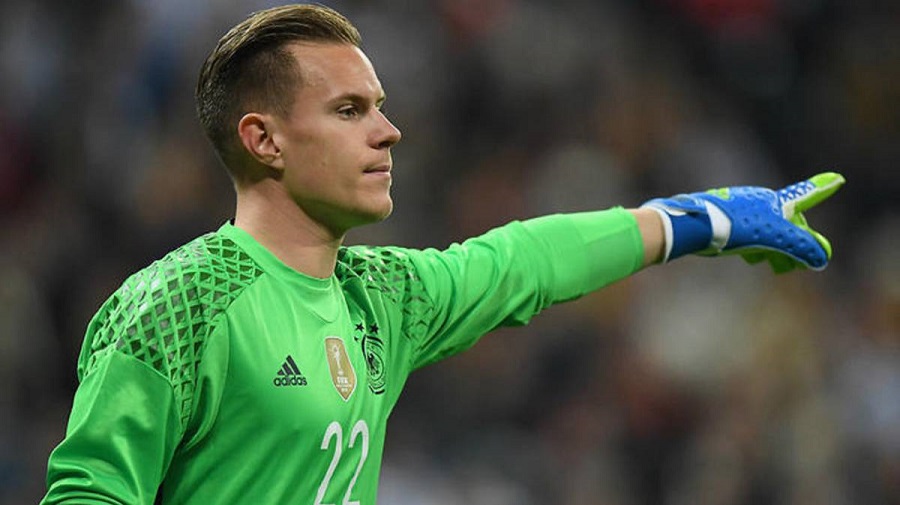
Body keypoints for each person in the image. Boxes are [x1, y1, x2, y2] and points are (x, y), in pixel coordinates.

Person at [41, 4, 844, 504]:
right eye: (350, 110)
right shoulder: (179, 302)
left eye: (380, 108)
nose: (388, 132)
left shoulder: (382, 295)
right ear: (264, 139)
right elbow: (88, 493)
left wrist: (707, 218)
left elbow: (529, 260)